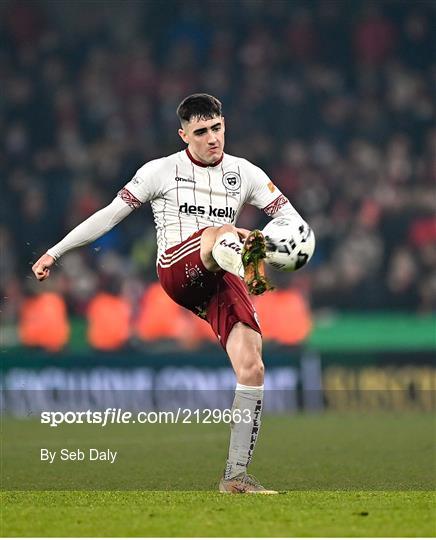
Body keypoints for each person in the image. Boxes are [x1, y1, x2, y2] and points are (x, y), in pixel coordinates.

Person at [32, 93, 306, 493]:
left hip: (218, 276)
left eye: (216, 128)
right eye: (201, 132)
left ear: (224, 124)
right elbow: (110, 215)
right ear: (183, 135)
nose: (212, 138)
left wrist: (281, 240)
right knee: (223, 234)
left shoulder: (245, 172)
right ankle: (250, 267)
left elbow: (292, 219)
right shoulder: (160, 171)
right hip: (177, 270)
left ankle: (235, 475)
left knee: (253, 367)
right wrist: (55, 252)